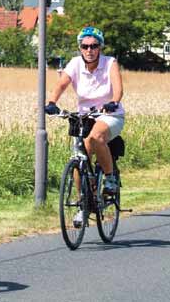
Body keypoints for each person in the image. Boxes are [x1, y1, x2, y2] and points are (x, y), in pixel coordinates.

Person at [45, 26, 124, 226]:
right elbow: (62, 84)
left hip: (109, 114)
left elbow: (118, 88)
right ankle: (83, 204)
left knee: (95, 138)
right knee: (79, 158)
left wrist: (113, 101)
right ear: (80, 48)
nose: (89, 50)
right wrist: (52, 103)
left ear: (100, 47)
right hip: (84, 116)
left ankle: (110, 178)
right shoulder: (74, 64)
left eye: (94, 46)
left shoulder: (110, 63)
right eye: (85, 46)